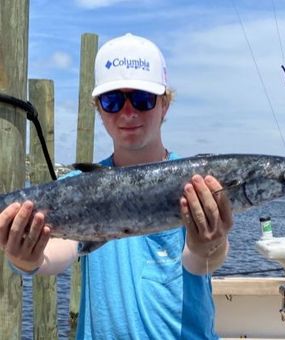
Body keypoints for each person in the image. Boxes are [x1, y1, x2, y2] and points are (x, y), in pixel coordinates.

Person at [0, 33, 233, 339]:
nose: (127, 113)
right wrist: (25, 258)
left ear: (164, 104)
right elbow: (59, 251)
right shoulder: (77, 188)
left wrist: (210, 245)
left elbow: (199, 263)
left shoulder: (195, 184)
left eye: (142, 99)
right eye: (112, 101)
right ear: (99, 109)